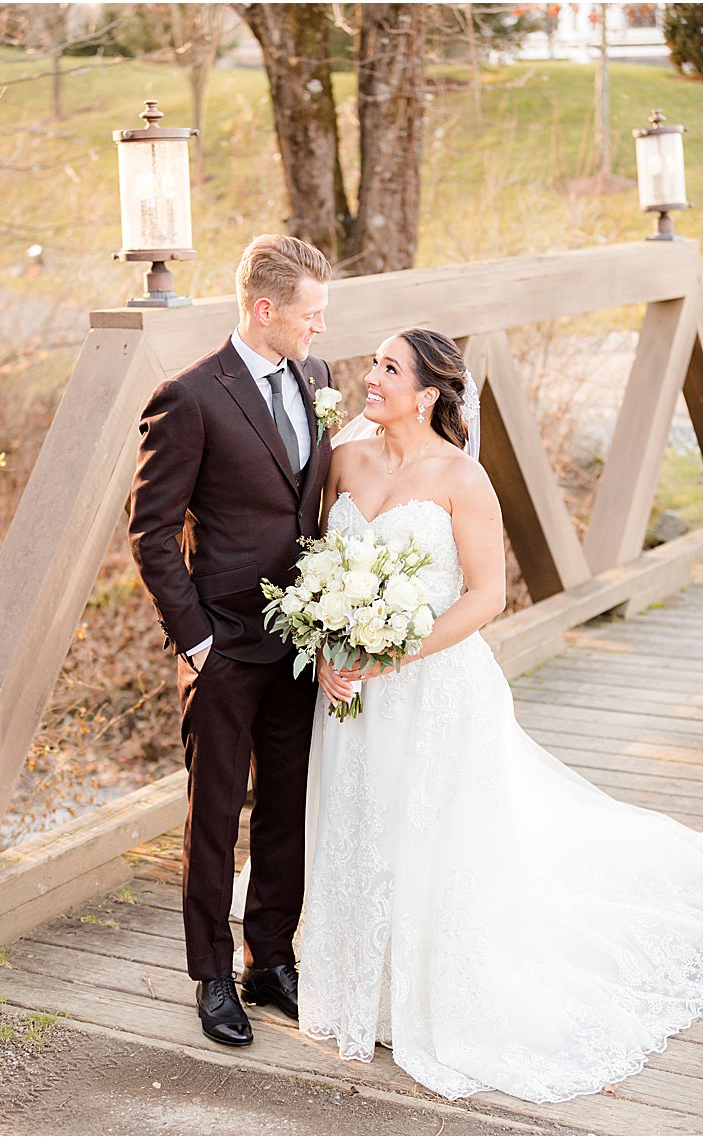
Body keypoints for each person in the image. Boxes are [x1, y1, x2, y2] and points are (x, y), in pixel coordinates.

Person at [300, 328, 702, 1101]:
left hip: (431, 688)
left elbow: (488, 595)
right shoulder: (344, 458)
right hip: (352, 689)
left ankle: (438, 991)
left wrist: (391, 654)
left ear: (426, 395)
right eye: (373, 362)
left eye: (389, 368)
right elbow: (322, 567)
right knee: (360, 823)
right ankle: (364, 983)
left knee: (430, 839)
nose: (369, 375)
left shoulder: (462, 478)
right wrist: (328, 650)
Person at [128, 234, 335, 1047]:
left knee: (287, 806)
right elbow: (151, 534)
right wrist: (199, 645)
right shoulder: (190, 397)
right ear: (264, 310)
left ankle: (268, 958)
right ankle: (213, 974)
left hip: (299, 640)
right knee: (214, 814)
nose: (320, 329)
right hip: (223, 645)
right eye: (310, 315)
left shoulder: (317, 378)